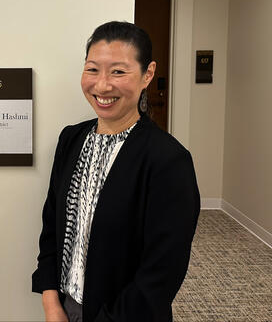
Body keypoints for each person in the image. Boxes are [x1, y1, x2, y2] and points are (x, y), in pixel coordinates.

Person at [32, 21, 200, 322]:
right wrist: (51, 304)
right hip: (66, 308)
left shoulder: (168, 159)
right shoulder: (71, 139)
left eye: (118, 72)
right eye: (92, 69)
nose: (102, 85)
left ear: (147, 74)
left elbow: (162, 271)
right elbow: (51, 228)